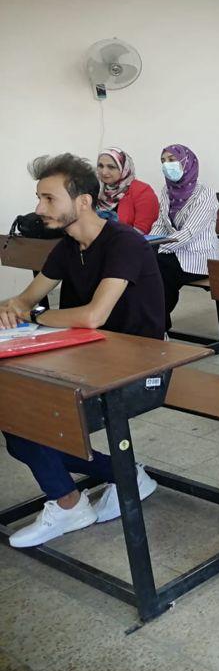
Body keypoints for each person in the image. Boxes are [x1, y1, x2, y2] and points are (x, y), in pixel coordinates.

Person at [1, 154, 165, 548]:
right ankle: (120, 476)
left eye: (49, 199)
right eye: (39, 198)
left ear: (84, 202)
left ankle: (71, 502)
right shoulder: (68, 246)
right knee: (15, 416)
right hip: (86, 357)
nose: (39, 209)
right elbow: (24, 300)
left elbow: (93, 316)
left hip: (140, 368)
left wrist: (36, 315)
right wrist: (12, 308)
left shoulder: (124, 242)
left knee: (28, 419)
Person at [150, 144, 219, 333]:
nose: (166, 165)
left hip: (197, 257)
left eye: (171, 160)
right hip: (173, 252)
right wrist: (149, 243)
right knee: (146, 264)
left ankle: (158, 326)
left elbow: (189, 232)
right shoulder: (166, 191)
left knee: (159, 268)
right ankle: (151, 322)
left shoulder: (205, 193)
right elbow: (160, 223)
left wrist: (159, 248)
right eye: (163, 161)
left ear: (187, 162)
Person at [95, 147, 159, 233]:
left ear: (124, 168)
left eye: (111, 167)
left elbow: (142, 231)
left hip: (128, 240)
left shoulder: (142, 191)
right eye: (100, 166)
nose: (104, 172)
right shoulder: (97, 189)